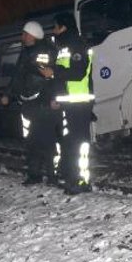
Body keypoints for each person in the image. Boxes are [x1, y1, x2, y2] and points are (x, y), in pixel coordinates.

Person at [1, 20, 59, 185]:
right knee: (32, 141)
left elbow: (49, 77)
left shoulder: (43, 52)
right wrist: (8, 94)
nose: (22, 37)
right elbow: (17, 76)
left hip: (42, 103)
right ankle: (34, 174)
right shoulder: (26, 52)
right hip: (29, 104)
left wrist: (52, 98)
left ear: (32, 35)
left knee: (46, 140)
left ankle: (52, 175)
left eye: (25, 34)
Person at [42, 12, 94, 194]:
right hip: (69, 102)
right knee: (71, 143)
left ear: (63, 26)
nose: (54, 31)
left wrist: (54, 72)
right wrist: (55, 97)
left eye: (56, 27)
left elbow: (78, 72)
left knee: (77, 144)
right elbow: (62, 78)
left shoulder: (76, 44)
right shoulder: (63, 46)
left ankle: (79, 181)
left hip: (79, 103)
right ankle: (74, 179)